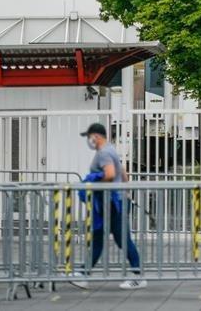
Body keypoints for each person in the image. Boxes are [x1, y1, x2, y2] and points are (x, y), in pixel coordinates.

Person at [77, 123, 146, 289]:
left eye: (89, 136)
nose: (89, 140)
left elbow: (110, 174)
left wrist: (94, 184)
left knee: (121, 239)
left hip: (113, 203)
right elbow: (122, 171)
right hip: (114, 201)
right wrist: (126, 189)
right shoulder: (110, 149)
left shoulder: (104, 153)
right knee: (99, 237)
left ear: (96, 136)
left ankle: (138, 275)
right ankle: (83, 273)